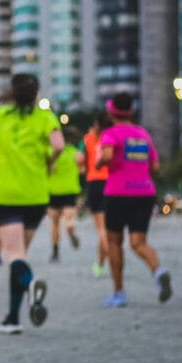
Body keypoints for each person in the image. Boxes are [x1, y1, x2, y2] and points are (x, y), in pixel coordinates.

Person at [0, 73, 63, 334]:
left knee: (13, 256)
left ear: (11, 91)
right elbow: (58, 144)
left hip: (8, 193)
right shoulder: (46, 117)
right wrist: (49, 160)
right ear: (36, 94)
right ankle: (12, 318)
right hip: (37, 195)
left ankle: (31, 282)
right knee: (19, 254)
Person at [96, 93, 171, 307]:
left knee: (114, 242)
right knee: (138, 243)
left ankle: (119, 293)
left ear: (112, 113)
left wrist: (101, 162)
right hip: (144, 193)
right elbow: (155, 167)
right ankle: (159, 271)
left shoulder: (110, 134)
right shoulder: (143, 134)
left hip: (118, 193)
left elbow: (108, 156)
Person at [82, 112, 112, 278]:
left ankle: (102, 263)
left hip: (95, 182)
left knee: (101, 229)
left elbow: (79, 159)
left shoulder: (87, 139)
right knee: (110, 228)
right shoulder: (112, 138)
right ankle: (101, 263)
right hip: (112, 183)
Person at [47, 126, 84, 263]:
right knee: (69, 218)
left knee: (55, 223)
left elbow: (48, 170)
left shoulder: (52, 153)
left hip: (53, 191)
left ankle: (55, 252)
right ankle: (70, 228)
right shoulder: (76, 153)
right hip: (70, 190)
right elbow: (81, 170)